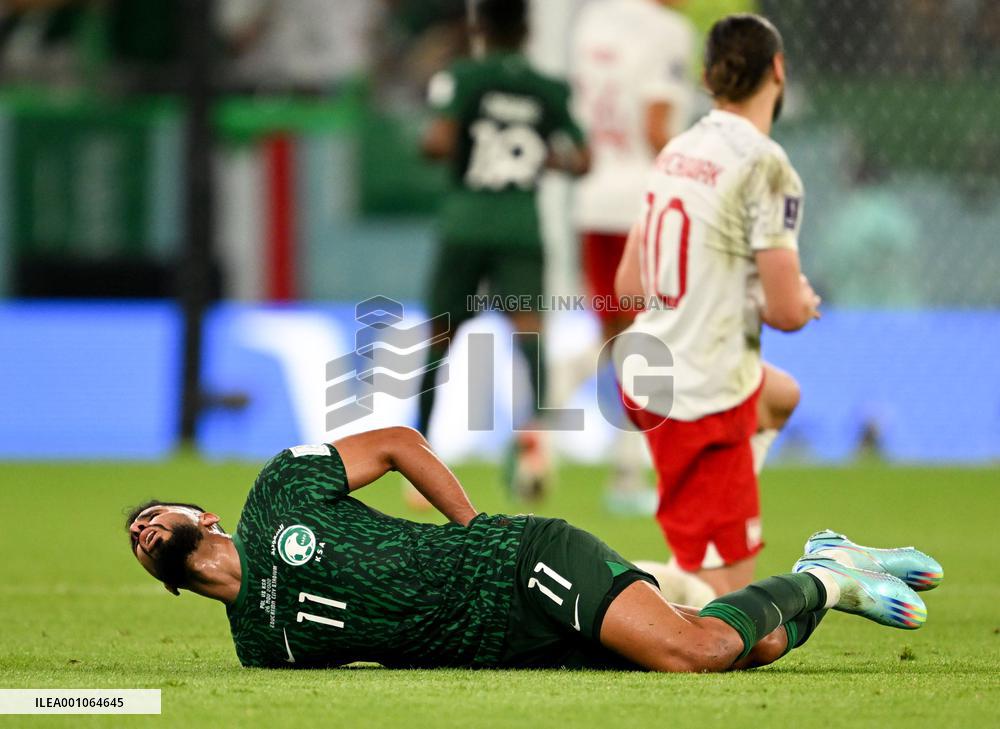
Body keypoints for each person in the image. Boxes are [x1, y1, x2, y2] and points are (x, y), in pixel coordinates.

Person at [125, 426, 942, 671]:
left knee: (690, 652)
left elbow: (402, 443)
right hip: (508, 649)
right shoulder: (259, 648)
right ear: (163, 578)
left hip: (516, 565)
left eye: (151, 513)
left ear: (203, 512)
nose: (143, 529)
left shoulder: (277, 493)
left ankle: (823, 568)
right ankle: (829, 581)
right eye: (136, 539)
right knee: (749, 643)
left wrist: (474, 526)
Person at [614, 13, 818, 598]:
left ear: (707, 77)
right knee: (723, 615)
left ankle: (708, 524)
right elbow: (784, 312)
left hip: (647, 372)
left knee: (780, 397)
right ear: (777, 70)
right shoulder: (766, 165)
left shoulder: (677, 149)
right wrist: (802, 299)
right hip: (702, 397)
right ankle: (604, 583)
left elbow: (631, 287)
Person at [417, 0, 589, 499]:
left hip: (465, 221)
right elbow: (583, 158)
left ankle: (419, 452)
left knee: (439, 336)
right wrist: (541, 159)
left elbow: (439, 141)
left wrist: (448, 145)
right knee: (529, 331)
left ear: (480, 27)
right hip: (521, 226)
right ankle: (535, 451)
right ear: (528, 30)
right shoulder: (548, 88)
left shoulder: (463, 78)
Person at [567, 0, 696, 515]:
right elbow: (656, 124)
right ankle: (627, 473)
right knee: (645, 337)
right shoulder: (668, 30)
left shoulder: (591, 20)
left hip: (594, 199)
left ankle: (537, 420)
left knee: (618, 335)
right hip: (644, 201)